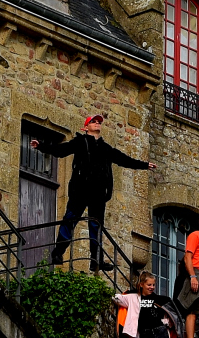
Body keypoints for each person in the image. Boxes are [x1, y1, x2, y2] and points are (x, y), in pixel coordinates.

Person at [40, 115, 152, 272]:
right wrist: (41, 146)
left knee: (96, 226)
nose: (97, 123)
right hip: (80, 190)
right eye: (93, 121)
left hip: (98, 193)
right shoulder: (80, 142)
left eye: (99, 122)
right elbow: (61, 150)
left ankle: (96, 260)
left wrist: (145, 165)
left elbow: (123, 160)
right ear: (85, 127)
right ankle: (57, 253)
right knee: (69, 220)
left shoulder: (105, 148)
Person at [132, 271, 182, 338]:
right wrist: (131, 292)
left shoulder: (159, 299)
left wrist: (167, 322)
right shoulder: (134, 298)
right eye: (149, 285)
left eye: (153, 285)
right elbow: (118, 298)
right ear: (141, 285)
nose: (152, 287)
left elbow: (173, 311)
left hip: (159, 330)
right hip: (144, 332)